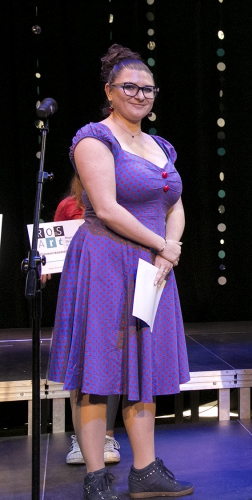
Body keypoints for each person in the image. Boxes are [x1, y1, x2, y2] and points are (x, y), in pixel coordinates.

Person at [48, 44, 193, 499]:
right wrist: (161, 245)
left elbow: (175, 205)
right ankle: (96, 476)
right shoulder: (94, 139)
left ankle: (145, 472)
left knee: (141, 364)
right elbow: (107, 208)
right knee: (99, 370)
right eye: (129, 87)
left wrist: (170, 250)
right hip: (106, 262)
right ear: (110, 91)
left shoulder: (160, 146)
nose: (140, 95)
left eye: (148, 89)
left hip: (153, 265)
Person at [43, 174, 123, 465]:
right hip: (81, 289)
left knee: (112, 359)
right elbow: (54, 246)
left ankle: (107, 437)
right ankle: (81, 439)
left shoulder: (120, 204)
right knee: (80, 360)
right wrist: (46, 264)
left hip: (113, 285)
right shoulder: (69, 205)